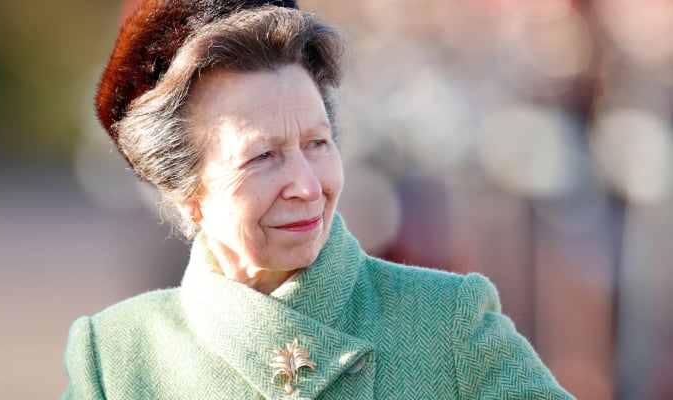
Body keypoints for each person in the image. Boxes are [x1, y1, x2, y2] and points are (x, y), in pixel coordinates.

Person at [61, 0, 574, 398]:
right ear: (186, 192)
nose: (308, 185)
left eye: (317, 144)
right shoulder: (116, 359)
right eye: (262, 156)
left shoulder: (448, 323)